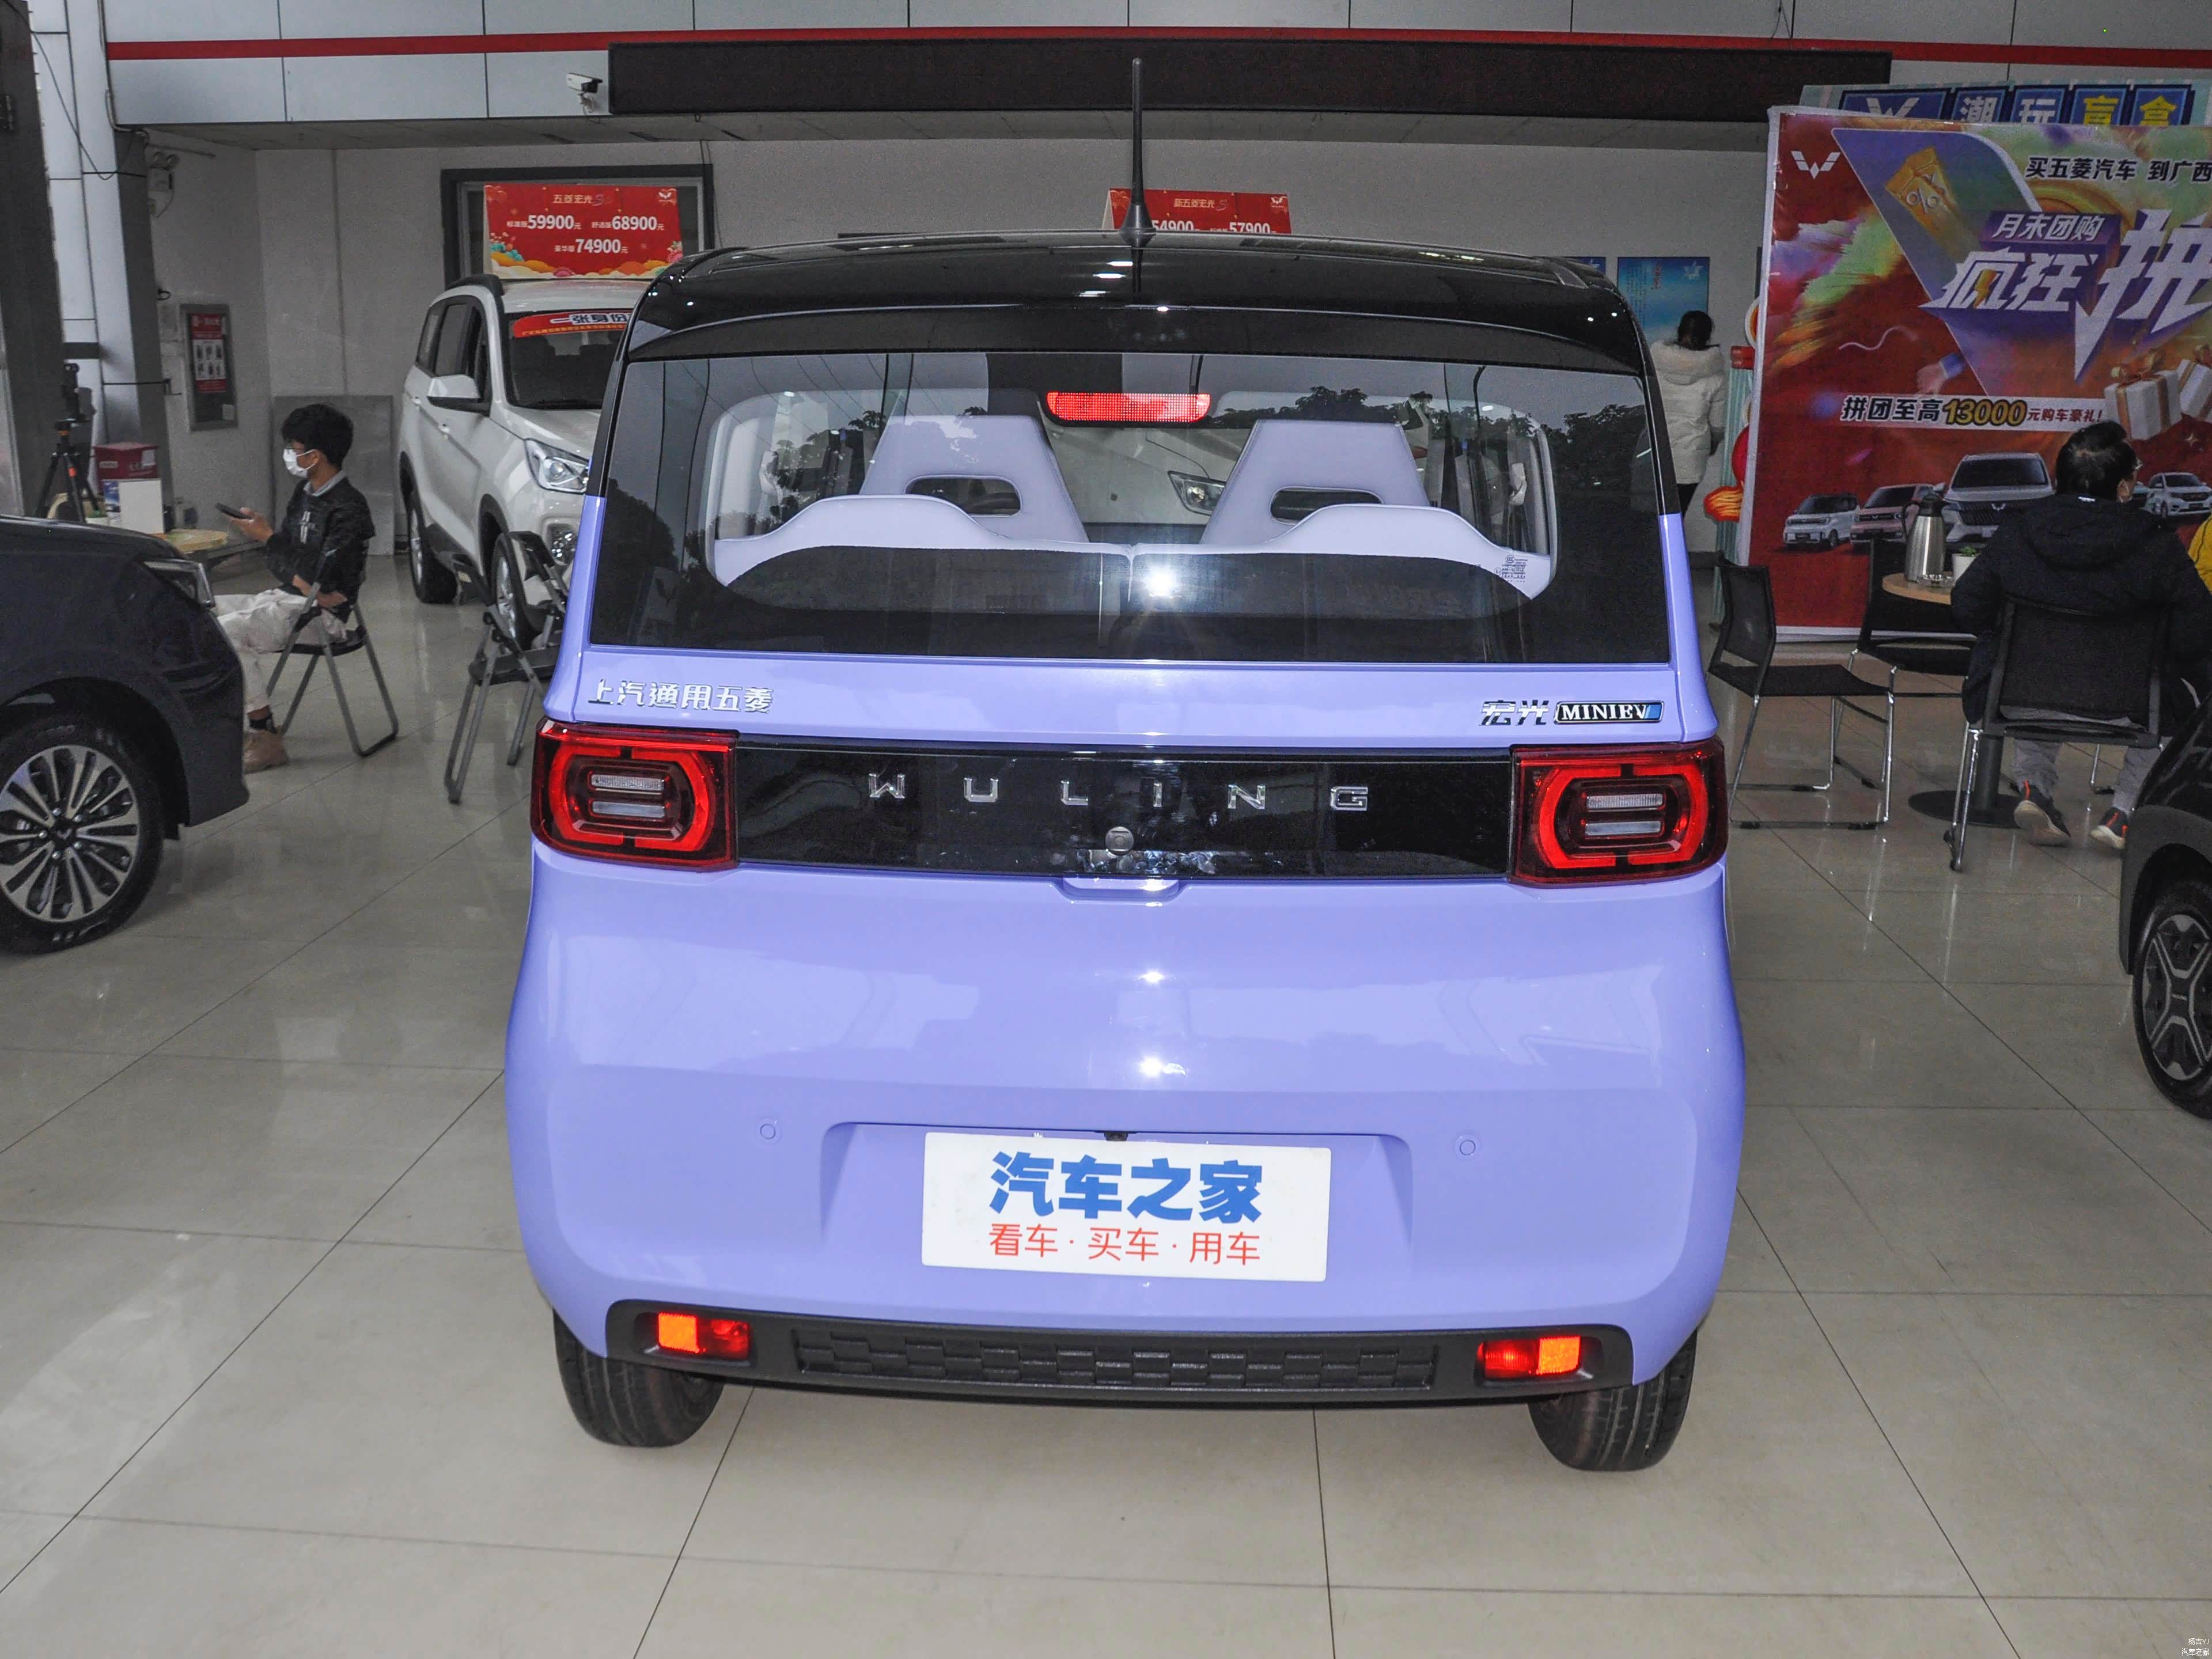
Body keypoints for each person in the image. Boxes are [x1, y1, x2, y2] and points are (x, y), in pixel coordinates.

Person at [1950, 421, 2212, 853]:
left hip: (2016, 698)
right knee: (2182, 691)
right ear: (2124, 488)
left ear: (2060, 479)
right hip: (2129, 705)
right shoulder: (2156, 543)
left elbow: (1968, 606)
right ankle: (2125, 812)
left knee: (2031, 663)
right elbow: (2198, 629)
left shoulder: (2021, 528)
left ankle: (2034, 788)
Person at [216, 404, 374, 774]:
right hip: (293, 597)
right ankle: (225, 720)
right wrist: (280, 550)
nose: (289, 455)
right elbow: (285, 567)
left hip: (326, 617)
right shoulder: (304, 492)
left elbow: (325, 581)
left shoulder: (349, 508)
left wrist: (272, 541)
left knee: (228, 632)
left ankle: (264, 735)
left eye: (295, 448)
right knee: (202, 610)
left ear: (315, 456)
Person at [1650, 310, 1728, 520]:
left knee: (1648, 515)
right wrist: (1714, 443)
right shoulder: (1716, 375)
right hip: (1691, 455)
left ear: (1679, 330)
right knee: (1676, 515)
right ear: (1707, 336)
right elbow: (1717, 425)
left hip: (1654, 449)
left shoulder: (1655, 362)